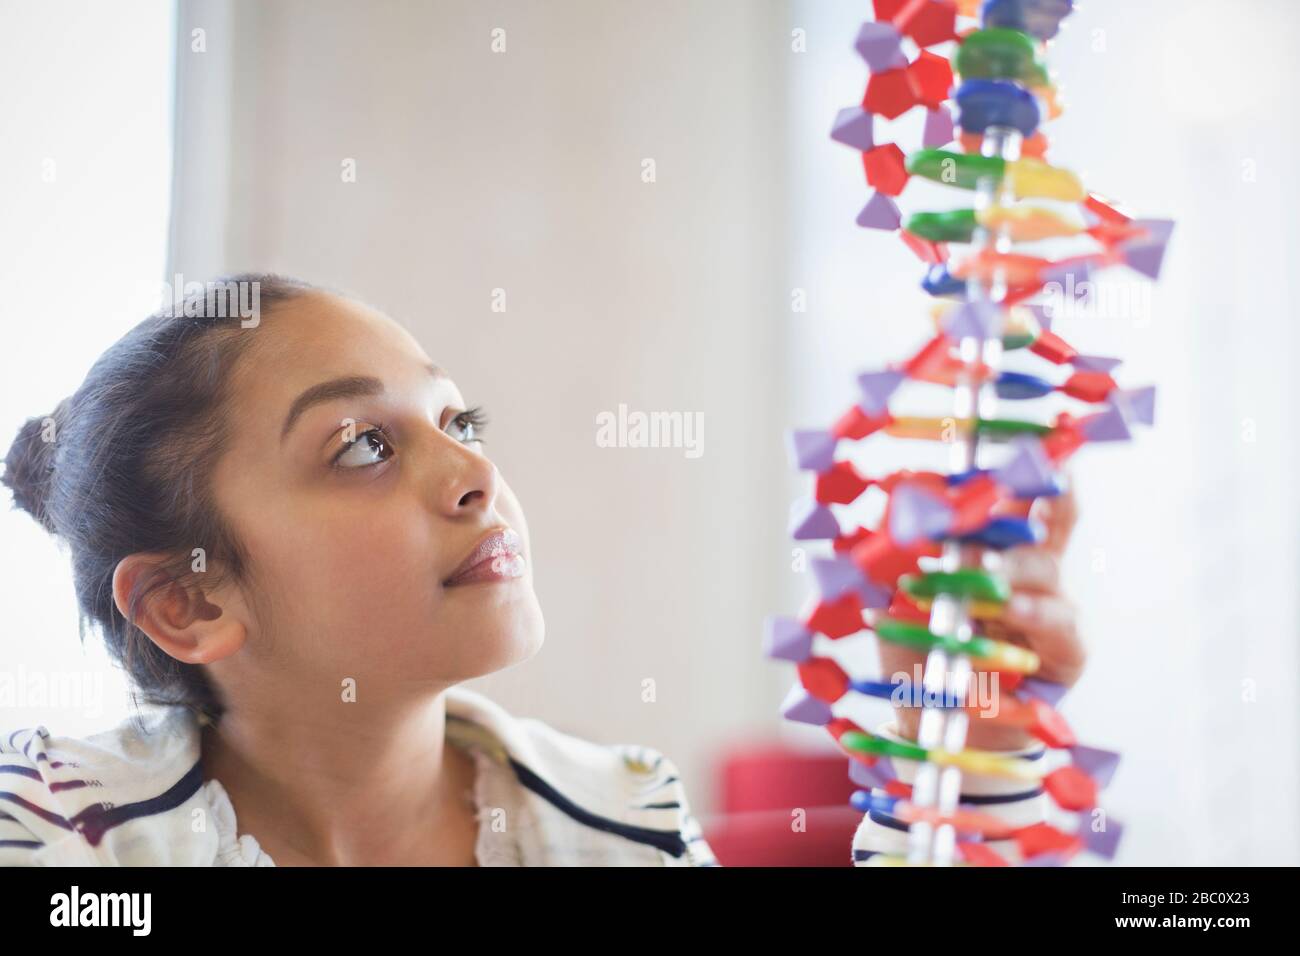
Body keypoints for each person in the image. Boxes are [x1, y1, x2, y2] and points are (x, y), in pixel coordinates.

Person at [0, 275, 716, 866]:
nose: (478, 472)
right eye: (365, 447)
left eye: (459, 423)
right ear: (189, 603)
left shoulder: (630, 826)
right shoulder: (54, 837)